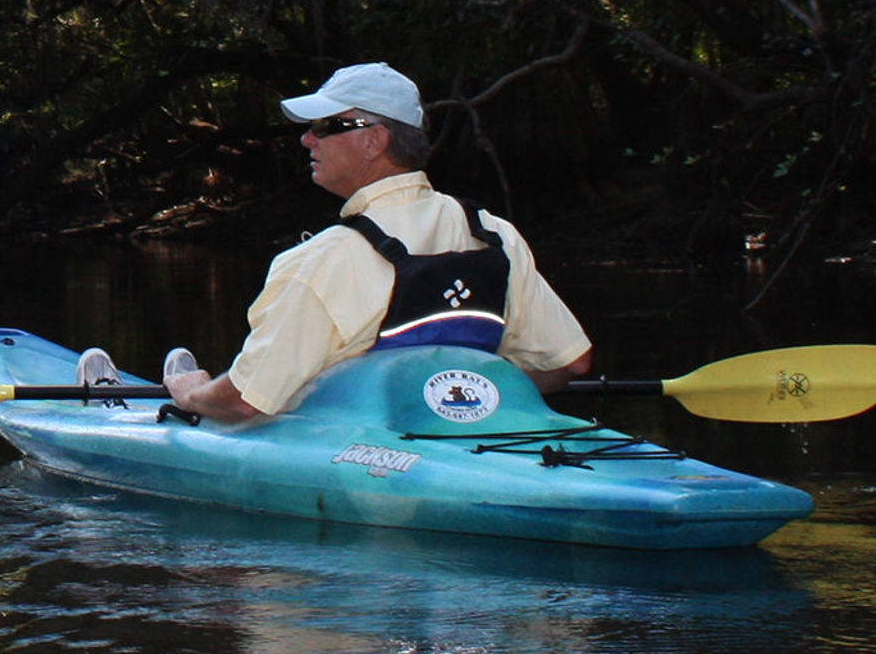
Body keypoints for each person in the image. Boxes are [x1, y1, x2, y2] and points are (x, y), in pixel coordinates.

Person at [159, 63, 591, 426]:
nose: (307, 139)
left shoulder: (324, 260)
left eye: (327, 127)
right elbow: (570, 363)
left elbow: (244, 401)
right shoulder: (495, 235)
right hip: (474, 443)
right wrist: (473, 400)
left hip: (362, 455)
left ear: (374, 140)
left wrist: (193, 394)